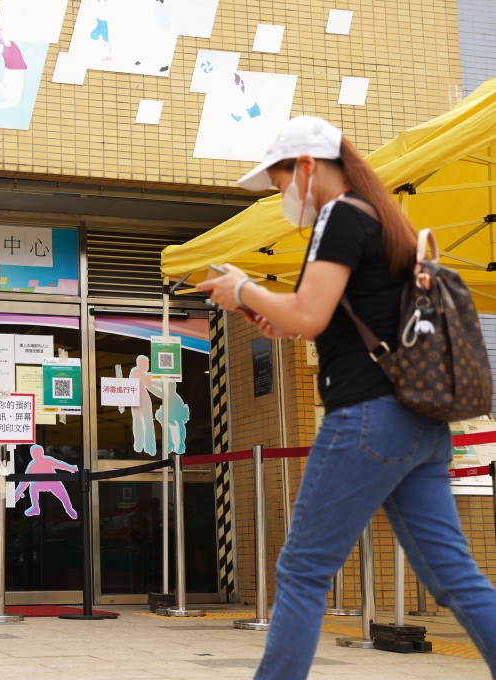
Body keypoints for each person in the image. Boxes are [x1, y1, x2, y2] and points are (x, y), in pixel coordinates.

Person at [197, 116, 496, 678]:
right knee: (455, 576)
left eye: (281, 180)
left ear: (307, 166)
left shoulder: (338, 216)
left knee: (303, 571)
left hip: (366, 418)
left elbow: (309, 313)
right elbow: (321, 317)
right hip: (421, 426)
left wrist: (242, 288)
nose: (282, 193)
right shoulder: (383, 219)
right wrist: (269, 313)